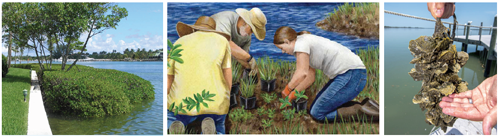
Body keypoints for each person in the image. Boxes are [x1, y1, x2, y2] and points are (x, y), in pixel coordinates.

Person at [273, 26, 379, 122]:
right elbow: (310, 77)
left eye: (281, 48)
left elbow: (301, 73)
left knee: (317, 113)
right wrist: (291, 96)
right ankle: (368, 105)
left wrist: (287, 90)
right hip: (350, 75)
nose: (282, 52)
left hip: (352, 75)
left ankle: (359, 111)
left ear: (287, 41)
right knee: (315, 106)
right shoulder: (303, 43)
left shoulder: (301, 44)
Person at [167, 16, 232, 134]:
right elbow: (227, 73)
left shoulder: (178, 42)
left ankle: (177, 123)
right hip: (213, 102)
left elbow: (169, 77)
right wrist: (227, 97)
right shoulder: (222, 41)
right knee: (218, 121)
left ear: (194, 29)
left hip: (181, 103)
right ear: (213, 31)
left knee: (173, 115)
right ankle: (213, 128)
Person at [210, 7, 267, 77]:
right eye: (251, 30)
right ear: (245, 22)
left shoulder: (247, 37)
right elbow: (225, 43)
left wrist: (249, 67)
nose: (250, 34)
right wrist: (250, 59)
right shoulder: (224, 20)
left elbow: (242, 59)